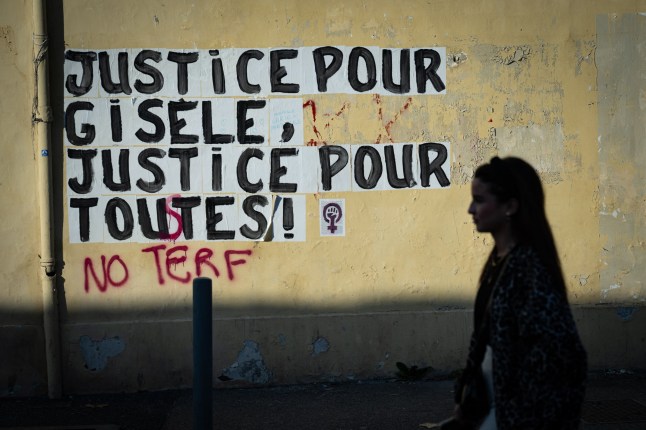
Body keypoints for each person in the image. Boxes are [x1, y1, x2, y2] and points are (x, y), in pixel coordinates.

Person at [452, 156, 588, 430]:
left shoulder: (529, 270)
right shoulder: (500, 263)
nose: (470, 209)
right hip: (497, 406)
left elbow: (561, 358)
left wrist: (519, 413)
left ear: (510, 206)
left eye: (479, 200)